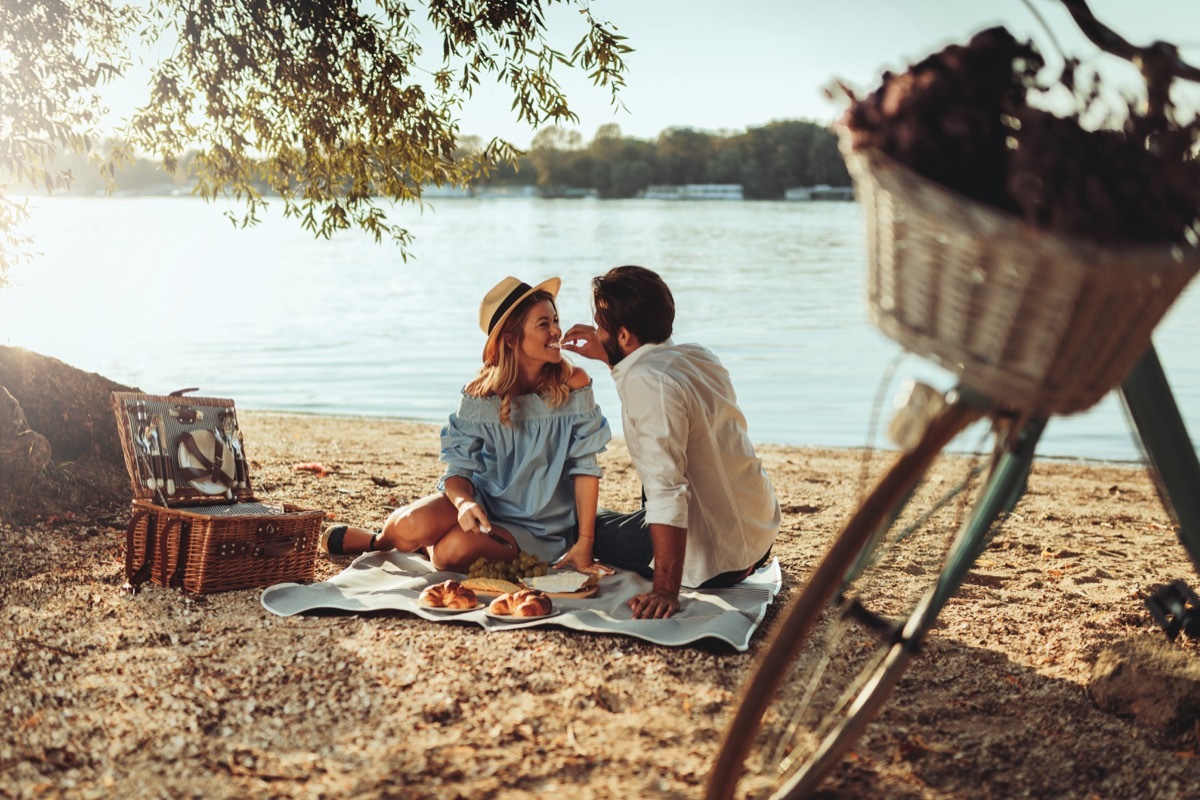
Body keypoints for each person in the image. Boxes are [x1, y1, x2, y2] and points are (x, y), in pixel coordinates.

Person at [321, 275, 612, 573]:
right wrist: (463, 504)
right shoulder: (479, 395)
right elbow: (458, 471)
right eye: (543, 324)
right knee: (412, 524)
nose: (556, 330)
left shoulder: (574, 384)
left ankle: (427, 543)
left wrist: (585, 542)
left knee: (451, 553)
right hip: (481, 505)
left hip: (539, 528)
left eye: (555, 320)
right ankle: (379, 542)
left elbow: (585, 466)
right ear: (511, 339)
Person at [562, 265, 781, 620]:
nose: (594, 331)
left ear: (624, 336)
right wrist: (608, 352)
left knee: (575, 523)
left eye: (601, 326)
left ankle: (659, 566)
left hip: (718, 562)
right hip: (757, 536)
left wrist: (665, 590)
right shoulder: (697, 357)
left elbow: (667, 492)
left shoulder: (647, 383)